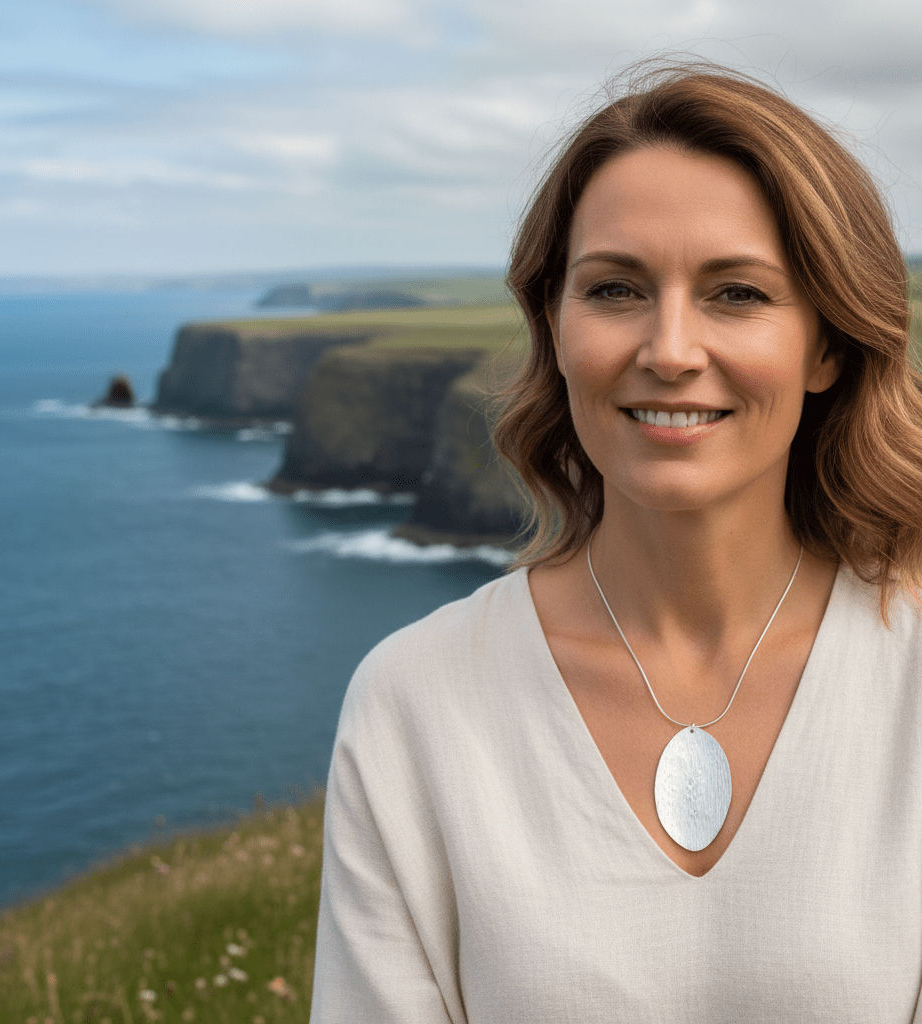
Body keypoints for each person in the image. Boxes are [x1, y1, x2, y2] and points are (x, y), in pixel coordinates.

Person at [309, 59, 922, 1022]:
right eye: (615, 289)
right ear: (553, 326)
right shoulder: (414, 705)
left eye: (738, 294)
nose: (670, 350)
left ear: (830, 345)